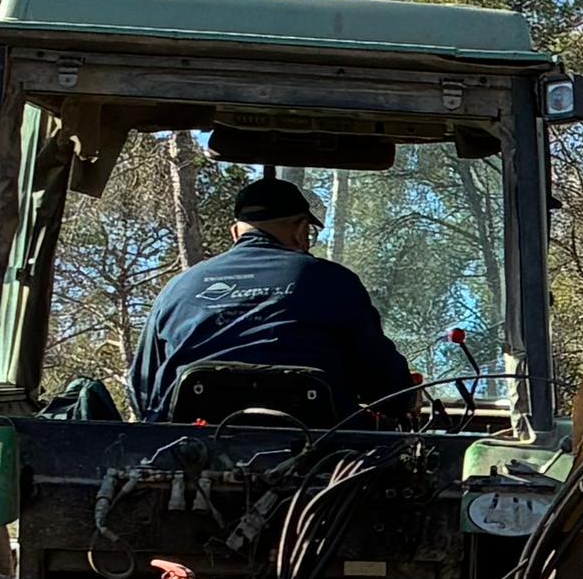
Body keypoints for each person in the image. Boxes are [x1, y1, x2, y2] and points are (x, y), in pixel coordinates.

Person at [137, 173, 418, 417]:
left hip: (188, 458)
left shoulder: (177, 288)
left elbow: (144, 392)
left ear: (236, 232)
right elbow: (387, 389)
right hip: (324, 460)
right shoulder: (333, 281)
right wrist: (407, 399)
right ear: (300, 230)